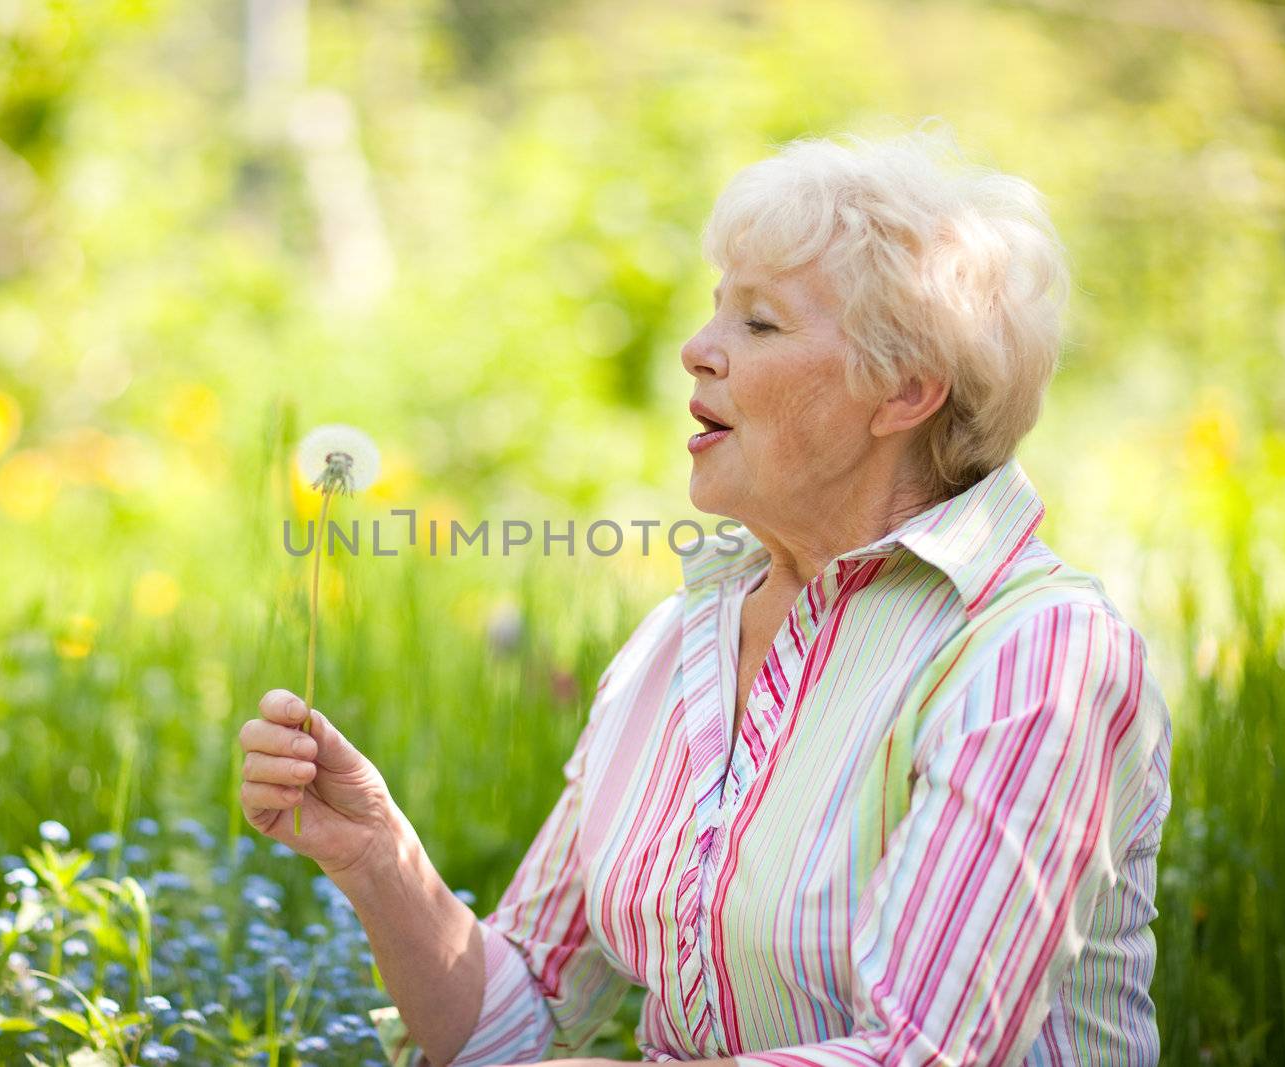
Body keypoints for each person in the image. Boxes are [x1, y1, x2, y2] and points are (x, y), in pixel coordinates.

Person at [237, 121, 1173, 1066]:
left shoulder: (1035, 651)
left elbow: (920, 1055)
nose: (695, 349)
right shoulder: (679, 640)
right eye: (716, 311)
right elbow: (513, 1020)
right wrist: (373, 856)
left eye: (758, 323)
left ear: (903, 391)